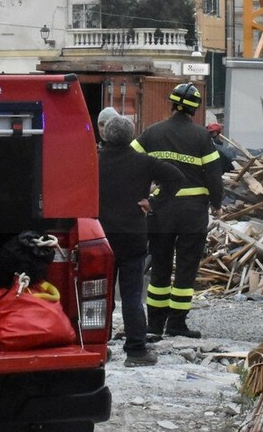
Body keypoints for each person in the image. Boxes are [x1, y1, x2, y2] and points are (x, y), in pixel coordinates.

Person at [132, 83, 223, 339]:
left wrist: (139, 194)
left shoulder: (152, 133)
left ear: (171, 104)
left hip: (160, 210)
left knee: (160, 264)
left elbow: (130, 158)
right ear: (195, 109)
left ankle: (154, 324)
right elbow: (213, 175)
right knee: (186, 266)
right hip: (192, 213)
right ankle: (177, 323)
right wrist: (217, 203)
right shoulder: (202, 137)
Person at [97, 115, 184, 367]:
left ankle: (98, 348)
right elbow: (176, 178)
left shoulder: (93, 161)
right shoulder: (143, 162)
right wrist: (153, 202)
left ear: (105, 135)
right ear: (131, 137)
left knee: (99, 296)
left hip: (99, 239)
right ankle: (136, 351)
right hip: (132, 238)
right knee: (132, 296)